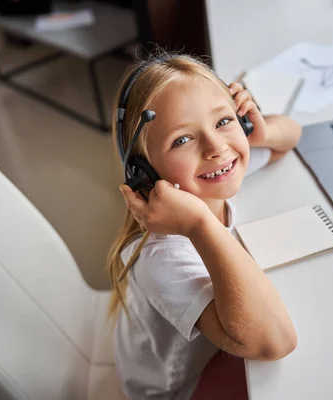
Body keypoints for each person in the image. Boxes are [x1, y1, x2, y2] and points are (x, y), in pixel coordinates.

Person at [106, 51, 302, 400]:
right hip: (178, 388)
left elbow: (290, 136)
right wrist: (199, 224)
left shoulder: (211, 173)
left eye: (223, 121)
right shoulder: (161, 258)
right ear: (145, 175)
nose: (216, 147)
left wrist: (263, 131)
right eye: (182, 140)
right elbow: (276, 340)